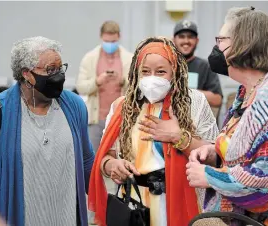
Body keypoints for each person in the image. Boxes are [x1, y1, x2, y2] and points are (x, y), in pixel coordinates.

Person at [186, 7, 268, 226]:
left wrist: (209, 176)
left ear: (244, 45)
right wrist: (214, 154)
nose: (216, 47)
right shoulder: (250, 89)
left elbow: (267, 185)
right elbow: (248, 150)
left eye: (221, 39)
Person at [88, 37, 219, 226]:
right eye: (145, 71)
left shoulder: (194, 103)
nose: (152, 78)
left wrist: (178, 136)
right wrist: (112, 165)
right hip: (133, 203)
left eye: (161, 72)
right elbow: (105, 158)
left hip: (180, 201)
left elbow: (214, 157)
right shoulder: (122, 107)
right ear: (136, 73)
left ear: (174, 72)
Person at [0, 36, 95, 226]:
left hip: (66, 217)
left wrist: (103, 201)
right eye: (50, 70)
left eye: (60, 68)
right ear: (27, 74)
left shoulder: (74, 106)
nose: (58, 76)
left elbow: (87, 159)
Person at [76, 20, 133, 152]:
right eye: (107, 41)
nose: (110, 45)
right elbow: (81, 87)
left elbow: (138, 87)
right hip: (96, 120)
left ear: (119, 36)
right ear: (101, 37)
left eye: (113, 41)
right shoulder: (89, 58)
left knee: (121, 156)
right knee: (92, 158)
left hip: (121, 119)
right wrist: (97, 81)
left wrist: (123, 81)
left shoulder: (129, 58)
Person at [173, 20, 223, 108]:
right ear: (174, 40)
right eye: (181, 37)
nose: (186, 41)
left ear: (197, 40)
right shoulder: (166, 65)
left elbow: (217, 100)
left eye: (190, 37)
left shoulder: (206, 66)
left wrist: (184, 91)